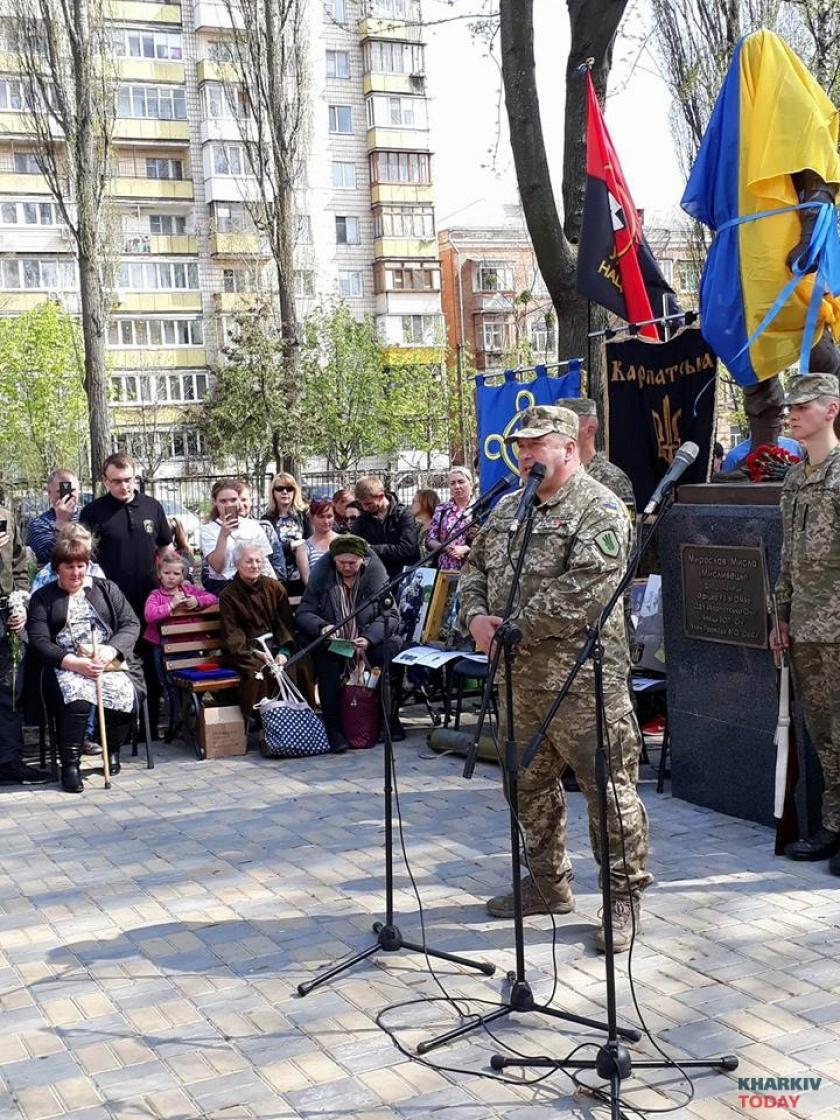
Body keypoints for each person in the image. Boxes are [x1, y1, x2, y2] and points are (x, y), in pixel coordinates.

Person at [459, 405, 652, 952]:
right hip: (518, 681)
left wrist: (512, 628)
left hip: (584, 684)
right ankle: (547, 882)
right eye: (520, 446)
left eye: (536, 444)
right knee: (526, 786)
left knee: (608, 793)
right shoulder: (509, 508)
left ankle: (622, 897)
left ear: (568, 448)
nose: (525, 455)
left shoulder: (600, 508)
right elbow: (474, 569)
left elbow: (584, 590)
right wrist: (475, 618)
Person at [770, 374, 840, 875]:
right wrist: (781, 616)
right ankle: (835, 825)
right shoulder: (795, 478)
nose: (791, 414)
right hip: (807, 627)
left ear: (831, 409)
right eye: (789, 407)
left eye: (802, 406)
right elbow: (789, 556)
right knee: (825, 736)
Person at [26, 531, 146, 793]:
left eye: (81, 566)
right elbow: (39, 640)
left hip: (105, 660)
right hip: (65, 664)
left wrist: (110, 650)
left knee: (124, 693)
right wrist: (73, 663)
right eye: (69, 567)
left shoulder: (106, 589)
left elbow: (130, 623)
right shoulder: (43, 598)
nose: (76, 573)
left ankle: (112, 750)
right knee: (77, 695)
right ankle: (70, 765)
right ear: (57, 568)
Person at [80, 454, 172, 738]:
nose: (124, 486)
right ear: (105, 481)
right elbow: (83, 556)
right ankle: (119, 733)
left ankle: (150, 729)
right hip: (110, 606)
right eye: (117, 481)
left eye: (129, 479)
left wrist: (175, 584)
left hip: (149, 603)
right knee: (115, 667)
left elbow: (166, 550)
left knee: (150, 667)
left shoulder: (152, 506)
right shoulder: (93, 512)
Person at [296, 535, 403, 751]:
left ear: (362, 560)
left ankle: (386, 721)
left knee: (387, 655)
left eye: (352, 563)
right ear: (333, 560)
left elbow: (391, 615)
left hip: (367, 639)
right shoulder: (321, 578)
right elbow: (304, 612)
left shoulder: (375, 578)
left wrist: (369, 638)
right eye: (341, 562)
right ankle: (334, 730)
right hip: (335, 641)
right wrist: (323, 627)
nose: (346, 567)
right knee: (328, 663)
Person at [218, 543, 302, 718]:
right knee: (259, 671)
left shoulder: (275, 587)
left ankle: (296, 717)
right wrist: (256, 653)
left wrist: (284, 652)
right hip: (247, 650)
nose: (255, 565)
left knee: (299, 665)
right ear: (237, 564)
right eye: (249, 561)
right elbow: (232, 633)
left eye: (258, 561)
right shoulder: (228, 595)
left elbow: (285, 623)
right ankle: (261, 721)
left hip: (277, 645)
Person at [0, 497, 49, 785]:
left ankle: (8, 761)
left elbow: (19, 566)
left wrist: (19, 604)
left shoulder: (5, 517)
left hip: (5, 617)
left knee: (10, 690)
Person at [555, 398, 636, 520]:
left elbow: (628, 528)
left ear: (589, 430)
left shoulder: (612, 479)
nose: (558, 433)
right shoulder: (553, 476)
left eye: (566, 427)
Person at [143, 553, 217, 683]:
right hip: (167, 650)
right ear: (159, 575)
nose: (171, 577)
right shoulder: (156, 596)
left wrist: (197, 601)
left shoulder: (189, 590)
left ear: (182, 576)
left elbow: (213, 598)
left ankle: (191, 698)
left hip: (191, 647)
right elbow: (149, 615)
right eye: (167, 573)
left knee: (194, 681)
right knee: (170, 684)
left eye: (176, 574)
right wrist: (171, 605)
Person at [200, 479, 277, 597]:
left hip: (253, 582)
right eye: (223, 501)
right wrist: (223, 535)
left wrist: (274, 587)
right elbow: (218, 567)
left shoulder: (252, 525)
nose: (229, 505)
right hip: (224, 586)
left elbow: (265, 561)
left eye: (233, 500)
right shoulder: (208, 530)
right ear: (215, 502)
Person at [352, 477, 420, 579]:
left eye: (368, 504)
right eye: (362, 505)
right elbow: (355, 548)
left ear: (381, 496)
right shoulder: (362, 520)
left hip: (402, 576)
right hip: (375, 576)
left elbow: (407, 548)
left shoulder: (404, 515)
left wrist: (371, 549)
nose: (365, 508)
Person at [264, 473, 311, 595]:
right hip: (278, 577)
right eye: (280, 489)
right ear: (273, 492)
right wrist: (290, 546)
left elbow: (311, 540)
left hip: (302, 574)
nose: (285, 492)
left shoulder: (304, 515)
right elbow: (266, 549)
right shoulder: (267, 519)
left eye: (289, 488)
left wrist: (301, 546)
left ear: (295, 491)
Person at [27, 469, 81, 565]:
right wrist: (61, 522)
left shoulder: (89, 515)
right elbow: (48, 558)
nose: (67, 495)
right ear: (49, 493)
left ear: (79, 490)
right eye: (61, 491)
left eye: (72, 490)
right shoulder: (39, 524)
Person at [426, 468, 476, 571]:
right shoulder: (442, 509)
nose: (457, 486)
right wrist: (446, 548)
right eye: (452, 483)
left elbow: (487, 540)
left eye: (461, 482)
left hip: (471, 569)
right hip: (444, 568)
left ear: (471, 484)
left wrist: (466, 548)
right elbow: (430, 539)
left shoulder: (481, 508)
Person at [237, 483, 287, 581]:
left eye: (244, 500)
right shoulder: (220, 531)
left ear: (251, 502)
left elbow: (279, 567)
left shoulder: (264, 527)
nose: (240, 505)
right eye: (235, 500)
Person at [293, 498, 338, 586]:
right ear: (312, 518)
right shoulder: (303, 548)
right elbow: (307, 580)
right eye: (321, 517)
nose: (326, 521)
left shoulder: (343, 541)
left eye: (329, 516)